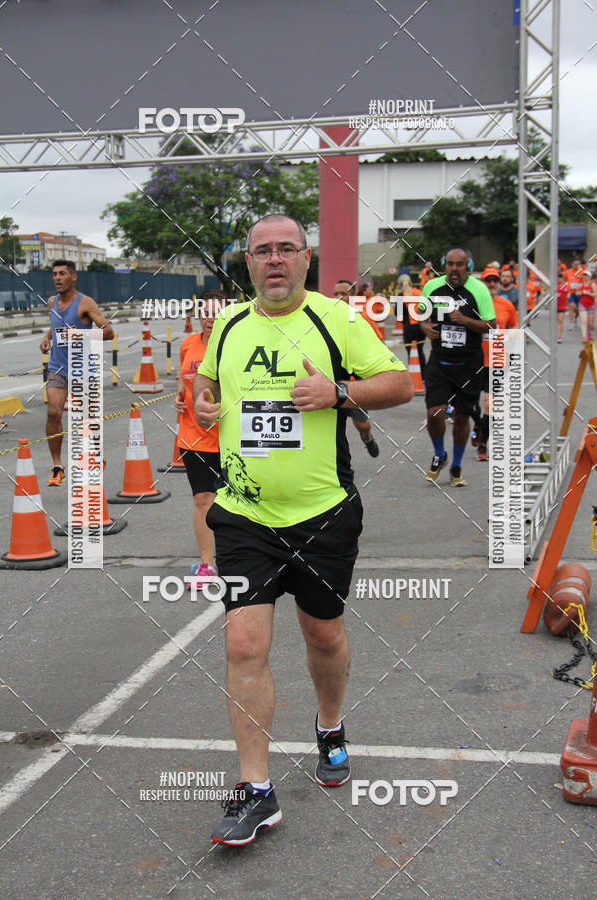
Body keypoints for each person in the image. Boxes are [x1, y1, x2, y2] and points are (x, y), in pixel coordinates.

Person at [193, 213, 413, 846]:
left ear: (306, 258)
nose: (275, 260)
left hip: (323, 513)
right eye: (262, 251)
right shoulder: (230, 324)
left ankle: (330, 724)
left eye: (286, 248)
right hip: (244, 514)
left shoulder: (337, 320)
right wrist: (203, 397)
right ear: (249, 263)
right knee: (243, 646)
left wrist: (340, 393)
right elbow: (208, 378)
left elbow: (401, 383)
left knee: (323, 633)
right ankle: (256, 792)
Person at [418, 248, 496, 486]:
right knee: (434, 413)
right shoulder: (431, 287)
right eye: (450, 264)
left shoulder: (479, 289)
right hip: (440, 363)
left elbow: (491, 325)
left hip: (469, 365)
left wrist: (465, 320)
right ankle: (440, 454)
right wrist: (424, 326)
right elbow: (421, 314)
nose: (453, 269)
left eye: (459, 264)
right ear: (444, 265)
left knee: (462, 418)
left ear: (467, 266)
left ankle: (457, 466)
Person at [39, 259, 114, 485]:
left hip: (83, 368)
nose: (57, 278)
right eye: (54, 274)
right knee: (53, 412)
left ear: (73, 277)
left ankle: (97, 455)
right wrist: (46, 338)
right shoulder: (52, 302)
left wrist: (80, 336)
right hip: (58, 367)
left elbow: (109, 332)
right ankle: (57, 466)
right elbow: (55, 326)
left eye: (62, 274)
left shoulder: (85, 303)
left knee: (86, 419)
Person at [174, 290, 225, 588]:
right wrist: (180, 400)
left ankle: (241, 556)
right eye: (206, 313)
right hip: (193, 436)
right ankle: (207, 565)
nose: (211, 319)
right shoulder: (188, 344)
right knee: (203, 498)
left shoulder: (235, 346)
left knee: (237, 501)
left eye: (217, 313)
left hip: (229, 436)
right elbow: (184, 378)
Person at [332, 279, 381, 457]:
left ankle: (367, 437)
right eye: (335, 294)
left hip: (355, 383)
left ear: (353, 297)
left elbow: (378, 344)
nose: (338, 297)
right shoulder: (327, 317)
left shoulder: (362, 318)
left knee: (361, 423)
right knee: (333, 429)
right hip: (332, 381)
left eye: (343, 294)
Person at [473, 267, 518, 460]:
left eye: (494, 281)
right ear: (482, 283)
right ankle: (477, 425)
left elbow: (515, 325)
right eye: (487, 280)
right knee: (467, 404)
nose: (491, 284)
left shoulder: (506, 304)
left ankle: (483, 444)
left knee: (489, 404)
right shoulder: (474, 304)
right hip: (473, 359)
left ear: (499, 284)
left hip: (497, 360)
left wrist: (508, 336)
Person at [396, 273, 425, 380]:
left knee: (411, 352)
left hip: (409, 327)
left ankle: (415, 376)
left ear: (399, 285)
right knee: (420, 351)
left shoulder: (401, 296)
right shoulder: (419, 293)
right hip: (421, 326)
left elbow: (398, 314)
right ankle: (423, 375)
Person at [578, 269, 596, 342]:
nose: (585, 277)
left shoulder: (593, 285)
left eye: (587, 276)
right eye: (584, 276)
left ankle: (588, 332)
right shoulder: (580, 285)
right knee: (584, 321)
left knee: (590, 323)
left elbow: (595, 294)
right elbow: (577, 293)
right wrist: (581, 292)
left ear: (590, 277)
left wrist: (588, 293)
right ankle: (584, 337)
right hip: (582, 304)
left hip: (591, 304)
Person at [557, 271, 569, 343]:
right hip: (555, 306)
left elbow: (569, 292)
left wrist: (568, 296)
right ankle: (555, 335)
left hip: (562, 306)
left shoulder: (565, 285)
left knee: (560, 320)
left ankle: (559, 336)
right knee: (556, 321)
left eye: (560, 278)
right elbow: (547, 294)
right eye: (557, 278)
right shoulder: (554, 285)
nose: (558, 279)